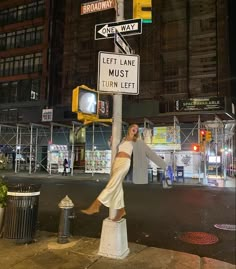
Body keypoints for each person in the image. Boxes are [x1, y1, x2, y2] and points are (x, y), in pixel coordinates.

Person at [81, 124, 140, 222]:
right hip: (116, 162)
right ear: (130, 128)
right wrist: (111, 142)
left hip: (125, 163)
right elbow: (115, 148)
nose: (136, 128)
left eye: (137, 128)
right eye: (134, 126)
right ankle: (121, 210)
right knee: (117, 186)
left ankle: (96, 205)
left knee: (112, 184)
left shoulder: (135, 140)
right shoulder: (123, 139)